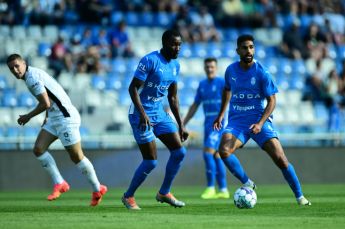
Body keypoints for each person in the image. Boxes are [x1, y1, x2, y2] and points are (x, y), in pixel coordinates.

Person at [213, 34, 311, 206]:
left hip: (259, 119)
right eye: (244, 47)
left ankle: (300, 197)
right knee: (224, 150)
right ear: (238, 50)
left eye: (251, 47)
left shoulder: (262, 72)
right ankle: (247, 183)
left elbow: (272, 100)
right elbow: (227, 90)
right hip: (237, 121)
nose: (248, 50)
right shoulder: (230, 70)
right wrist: (221, 114)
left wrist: (260, 123)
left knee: (281, 159)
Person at [6, 54, 107, 206]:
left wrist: (28, 116)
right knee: (39, 149)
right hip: (54, 118)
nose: (15, 70)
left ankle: (97, 188)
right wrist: (47, 116)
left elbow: (45, 103)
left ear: (24, 63)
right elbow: (51, 96)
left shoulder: (32, 77)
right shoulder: (32, 74)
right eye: (11, 68)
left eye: (17, 66)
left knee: (77, 157)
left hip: (65, 118)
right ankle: (60, 183)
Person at [121, 30, 189, 210]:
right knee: (151, 161)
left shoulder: (175, 65)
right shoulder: (149, 60)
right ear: (165, 43)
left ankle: (164, 192)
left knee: (179, 152)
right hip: (139, 113)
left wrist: (181, 124)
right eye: (174, 44)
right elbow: (132, 88)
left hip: (159, 113)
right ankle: (128, 196)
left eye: (180, 45)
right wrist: (143, 114)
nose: (178, 48)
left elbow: (173, 97)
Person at [183, 57, 229, 199]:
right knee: (216, 156)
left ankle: (210, 188)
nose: (209, 69)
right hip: (208, 123)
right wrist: (183, 122)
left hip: (219, 123)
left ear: (216, 68)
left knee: (208, 153)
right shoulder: (202, 84)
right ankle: (223, 190)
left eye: (212, 67)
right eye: (207, 67)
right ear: (204, 68)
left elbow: (230, 99)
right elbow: (195, 105)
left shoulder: (222, 83)